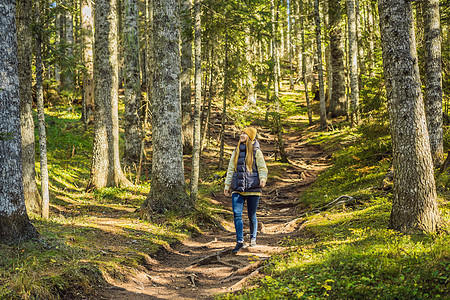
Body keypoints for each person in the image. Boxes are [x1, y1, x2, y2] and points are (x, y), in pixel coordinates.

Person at [224, 127, 268, 253]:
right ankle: (240, 241)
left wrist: (263, 179)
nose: (241, 135)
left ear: (250, 136)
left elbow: (262, 167)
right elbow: (231, 169)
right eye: (241, 133)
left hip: (253, 188)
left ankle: (253, 239)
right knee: (237, 214)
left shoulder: (256, 151)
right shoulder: (236, 151)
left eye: (244, 133)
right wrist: (227, 185)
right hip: (237, 188)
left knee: (251, 215)